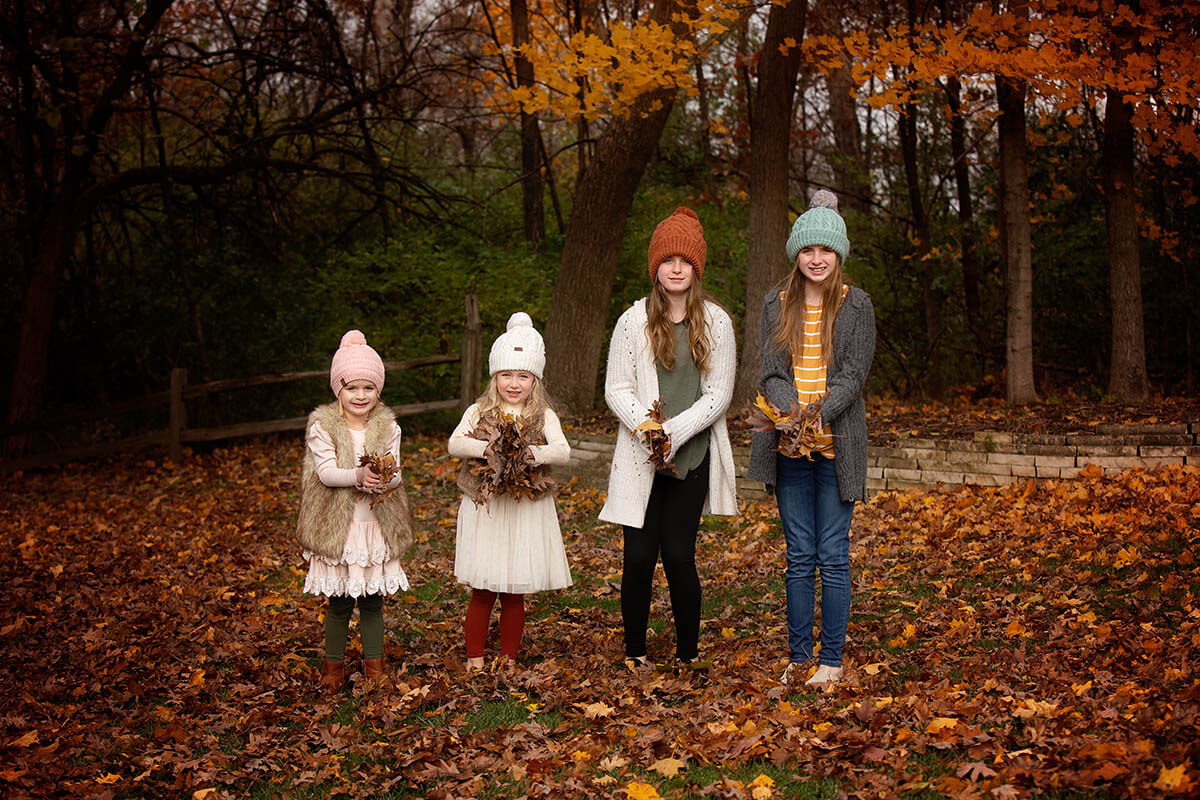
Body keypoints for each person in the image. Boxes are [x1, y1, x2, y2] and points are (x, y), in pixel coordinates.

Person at [747, 190, 875, 686]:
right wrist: (791, 413)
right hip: (789, 448)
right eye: (808, 251)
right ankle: (799, 655)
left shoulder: (855, 304)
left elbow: (852, 373)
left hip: (837, 446)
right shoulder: (776, 304)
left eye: (825, 251)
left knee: (833, 553)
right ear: (796, 254)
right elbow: (771, 371)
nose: (816, 260)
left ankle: (832, 659)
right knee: (799, 554)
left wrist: (818, 413)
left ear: (837, 254)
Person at [600, 207, 738, 668]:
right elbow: (615, 387)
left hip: (691, 455)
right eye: (667, 260)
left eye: (685, 261)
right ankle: (635, 652)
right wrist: (648, 428)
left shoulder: (716, 322)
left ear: (695, 268)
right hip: (641, 457)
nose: (676, 268)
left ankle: (688, 653)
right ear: (655, 267)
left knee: (679, 556)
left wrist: (674, 432)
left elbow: (719, 395)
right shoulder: (631, 321)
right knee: (638, 559)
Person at [448, 312, 572, 670]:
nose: (514, 384)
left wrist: (535, 453)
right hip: (487, 508)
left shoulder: (543, 415)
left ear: (535, 380)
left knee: (514, 588)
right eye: (506, 375)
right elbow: (455, 444)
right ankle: (474, 657)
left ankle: (508, 657)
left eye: (523, 376)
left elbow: (563, 451)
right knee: (484, 588)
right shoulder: (479, 411)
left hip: (523, 508)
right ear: (494, 377)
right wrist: (483, 449)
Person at [296, 330, 412, 692]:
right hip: (341, 526)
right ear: (338, 390)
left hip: (374, 525)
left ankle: (374, 669)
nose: (360, 396)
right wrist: (358, 476)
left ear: (378, 391)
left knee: (374, 601)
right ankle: (332, 669)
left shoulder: (388, 427)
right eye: (352, 388)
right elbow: (327, 473)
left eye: (368, 388)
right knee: (341, 602)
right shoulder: (324, 426)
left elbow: (396, 471)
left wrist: (384, 480)